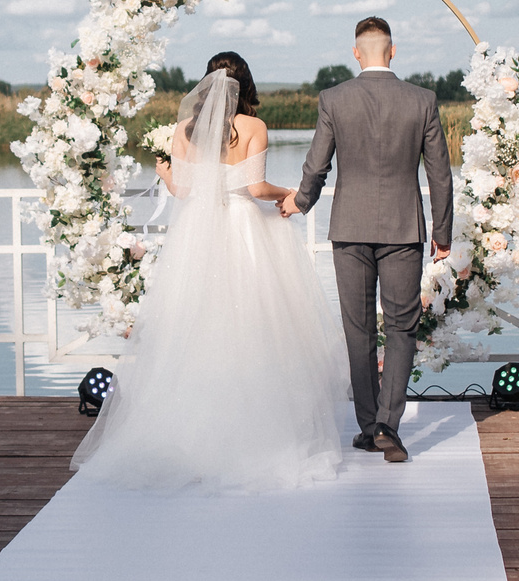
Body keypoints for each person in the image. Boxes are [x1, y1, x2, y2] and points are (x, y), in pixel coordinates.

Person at [72, 52, 349, 491]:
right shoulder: (254, 128)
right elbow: (255, 189)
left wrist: (164, 171)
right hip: (242, 227)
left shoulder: (184, 130)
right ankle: (258, 427)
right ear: (247, 85)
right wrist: (291, 193)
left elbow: (183, 190)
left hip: (197, 231)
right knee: (253, 326)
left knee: (195, 325)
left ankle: (189, 431)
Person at [281, 17, 452, 463]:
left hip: (350, 228)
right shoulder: (423, 100)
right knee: (402, 327)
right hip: (403, 229)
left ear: (356, 53)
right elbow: (440, 174)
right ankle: (388, 428)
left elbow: (317, 165)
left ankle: (367, 425)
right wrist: (443, 233)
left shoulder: (334, 99)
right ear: (392, 51)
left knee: (357, 330)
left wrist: (300, 202)